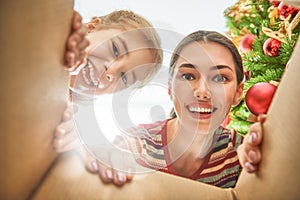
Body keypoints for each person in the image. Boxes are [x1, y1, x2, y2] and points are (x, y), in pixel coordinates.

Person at [56, 30, 264, 188]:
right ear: (170, 89)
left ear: (238, 93)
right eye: (188, 76)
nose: (202, 92)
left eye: (220, 78)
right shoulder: (136, 143)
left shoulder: (240, 154)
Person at [54, 10, 163, 151]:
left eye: (124, 77)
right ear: (91, 28)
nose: (111, 71)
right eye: (116, 50)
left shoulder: (69, 116)